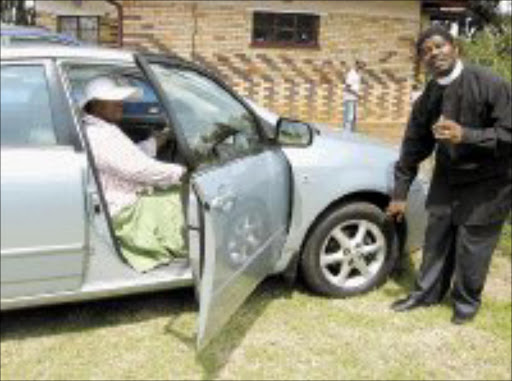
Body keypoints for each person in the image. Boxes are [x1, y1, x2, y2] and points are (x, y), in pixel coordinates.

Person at [386, 25, 511, 325]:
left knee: (472, 247)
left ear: (455, 48)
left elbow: (508, 134)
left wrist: (465, 134)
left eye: (439, 46)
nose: (433, 54)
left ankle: (465, 305)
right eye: (426, 52)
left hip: (489, 182)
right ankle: (425, 294)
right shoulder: (429, 95)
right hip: (447, 178)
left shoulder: (490, 83)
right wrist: (400, 194)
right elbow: (414, 144)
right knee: (436, 238)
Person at [80, 75, 187, 272]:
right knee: (183, 200)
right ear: (95, 105)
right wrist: (182, 172)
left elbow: (131, 156)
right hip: (125, 210)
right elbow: (139, 169)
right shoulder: (99, 135)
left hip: (126, 198)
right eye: (113, 101)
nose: (121, 105)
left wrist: (160, 139)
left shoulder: (101, 129)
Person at [342, 59, 365, 131]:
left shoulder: (358, 74)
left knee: (353, 117)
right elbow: (347, 88)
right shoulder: (352, 74)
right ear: (357, 65)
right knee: (349, 117)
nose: (362, 67)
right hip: (349, 98)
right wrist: (357, 94)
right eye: (361, 65)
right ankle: (347, 132)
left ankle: (352, 131)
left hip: (354, 98)